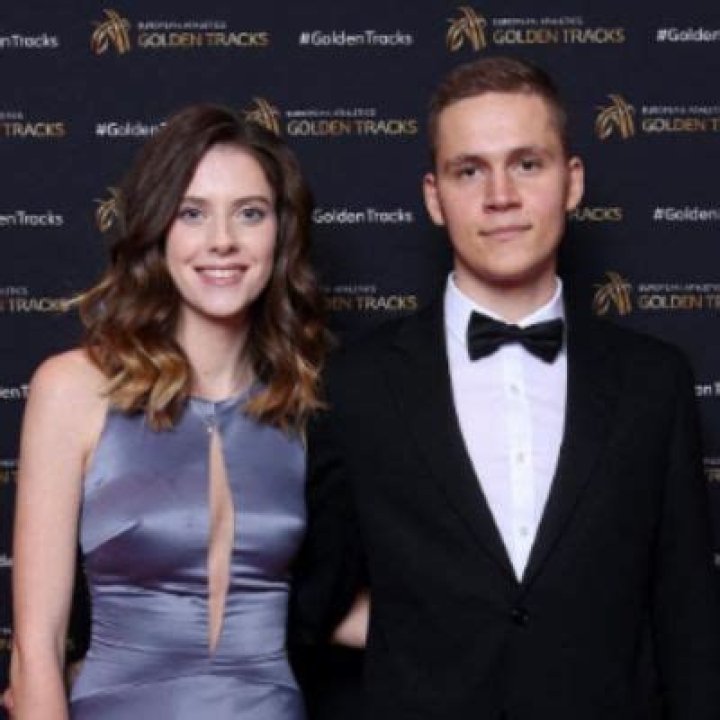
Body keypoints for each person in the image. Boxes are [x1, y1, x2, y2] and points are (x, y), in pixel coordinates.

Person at [293, 56, 720, 719]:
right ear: (434, 197)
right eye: (469, 171)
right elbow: (303, 601)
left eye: (527, 164)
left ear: (572, 182)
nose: (500, 196)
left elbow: (689, 620)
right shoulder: (355, 386)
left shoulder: (654, 383)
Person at [9, 104, 326, 719]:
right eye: (192, 213)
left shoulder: (305, 400)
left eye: (250, 213)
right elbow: (35, 652)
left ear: (281, 233)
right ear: (158, 229)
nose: (222, 240)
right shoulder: (73, 389)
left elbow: (341, 602)